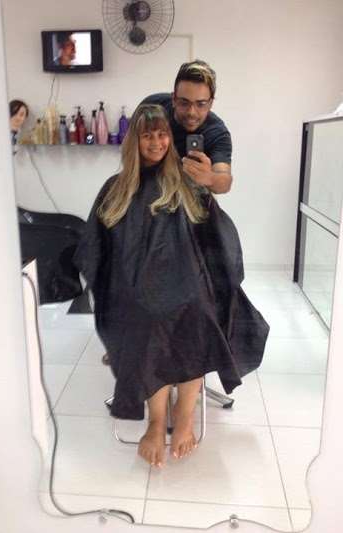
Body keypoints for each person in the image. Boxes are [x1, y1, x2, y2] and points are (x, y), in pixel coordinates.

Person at [74, 104, 269, 468]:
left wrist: (217, 277)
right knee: (146, 317)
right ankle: (156, 421)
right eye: (147, 135)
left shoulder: (187, 182)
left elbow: (216, 239)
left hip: (189, 281)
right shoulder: (115, 189)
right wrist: (117, 284)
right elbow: (97, 249)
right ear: (134, 141)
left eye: (162, 134)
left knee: (197, 314)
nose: (156, 142)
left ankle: (184, 417)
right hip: (133, 288)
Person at [142, 60, 232, 195]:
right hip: (144, 190)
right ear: (174, 99)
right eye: (184, 103)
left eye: (201, 104)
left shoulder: (217, 133)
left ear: (210, 103)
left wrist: (210, 178)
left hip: (190, 199)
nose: (191, 112)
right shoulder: (153, 105)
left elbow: (224, 181)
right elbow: (130, 146)